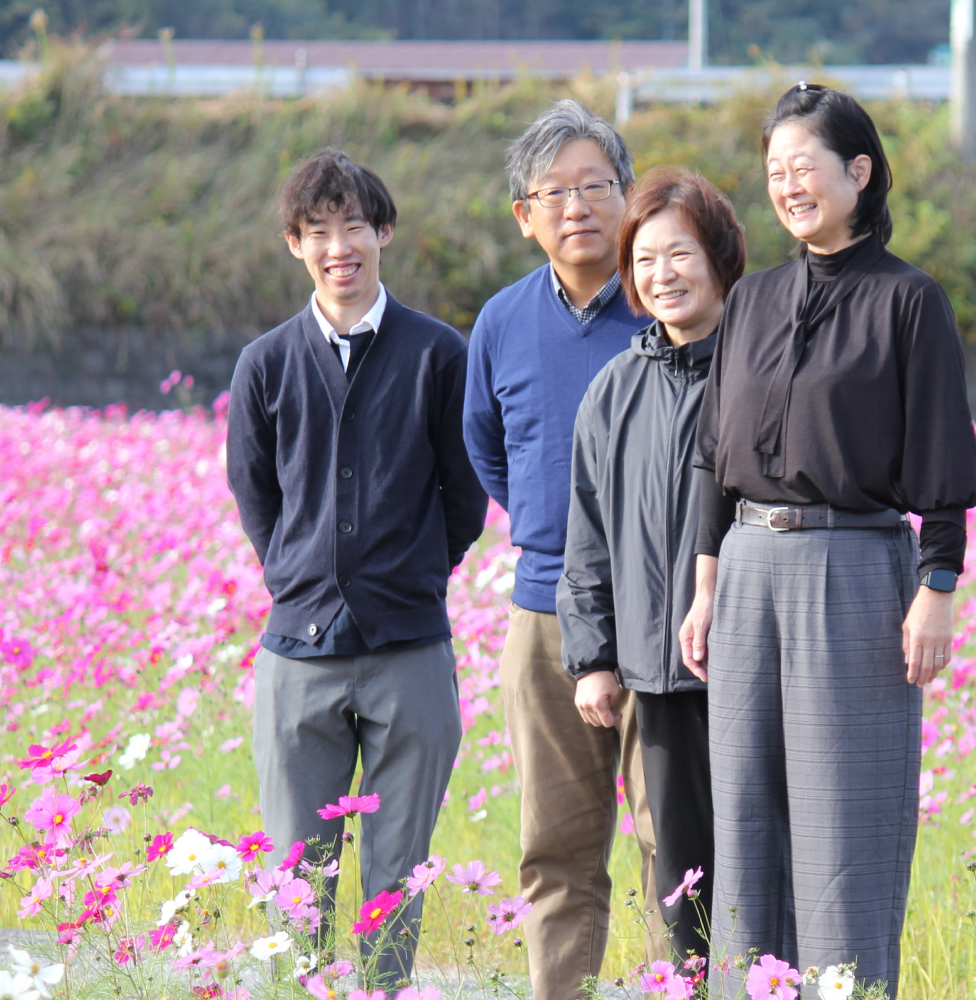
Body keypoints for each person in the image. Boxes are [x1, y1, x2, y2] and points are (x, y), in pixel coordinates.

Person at [679, 83, 976, 999]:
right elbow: (710, 460)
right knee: (747, 814)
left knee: (844, 817)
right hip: (747, 569)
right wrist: (704, 588)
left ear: (859, 171)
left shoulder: (909, 301)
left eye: (804, 166)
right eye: (774, 171)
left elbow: (942, 458)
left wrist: (938, 587)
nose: (788, 186)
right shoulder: (755, 301)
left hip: (852, 569)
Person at [226, 149, 487, 989]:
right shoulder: (265, 363)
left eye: (353, 226)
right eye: (317, 231)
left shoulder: (440, 355)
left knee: (396, 874)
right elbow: (256, 494)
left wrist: (409, 574)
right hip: (296, 653)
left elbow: (465, 493)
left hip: (410, 649)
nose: (338, 246)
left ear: (384, 233)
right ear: (294, 245)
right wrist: (300, 576)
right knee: (297, 877)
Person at [462, 100, 662, 1000]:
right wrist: (557, 532)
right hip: (543, 613)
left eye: (596, 185)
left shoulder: (668, 299)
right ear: (524, 214)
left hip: (665, 613)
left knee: (676, 842)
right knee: (557, 846)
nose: (578, 206)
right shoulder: (501, 321)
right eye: (556, 191)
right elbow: (487, 447)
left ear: (629, 196)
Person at [557, 167, 746, 964]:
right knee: (683, 876)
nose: (661, 274)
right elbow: (588, 533)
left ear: (721, 258)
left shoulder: (761, 371)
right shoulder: (615, 387)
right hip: (660, 674)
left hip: (754, 668)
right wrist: (592, 658)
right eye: (644, 259)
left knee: (762, 856)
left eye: (680, 254)